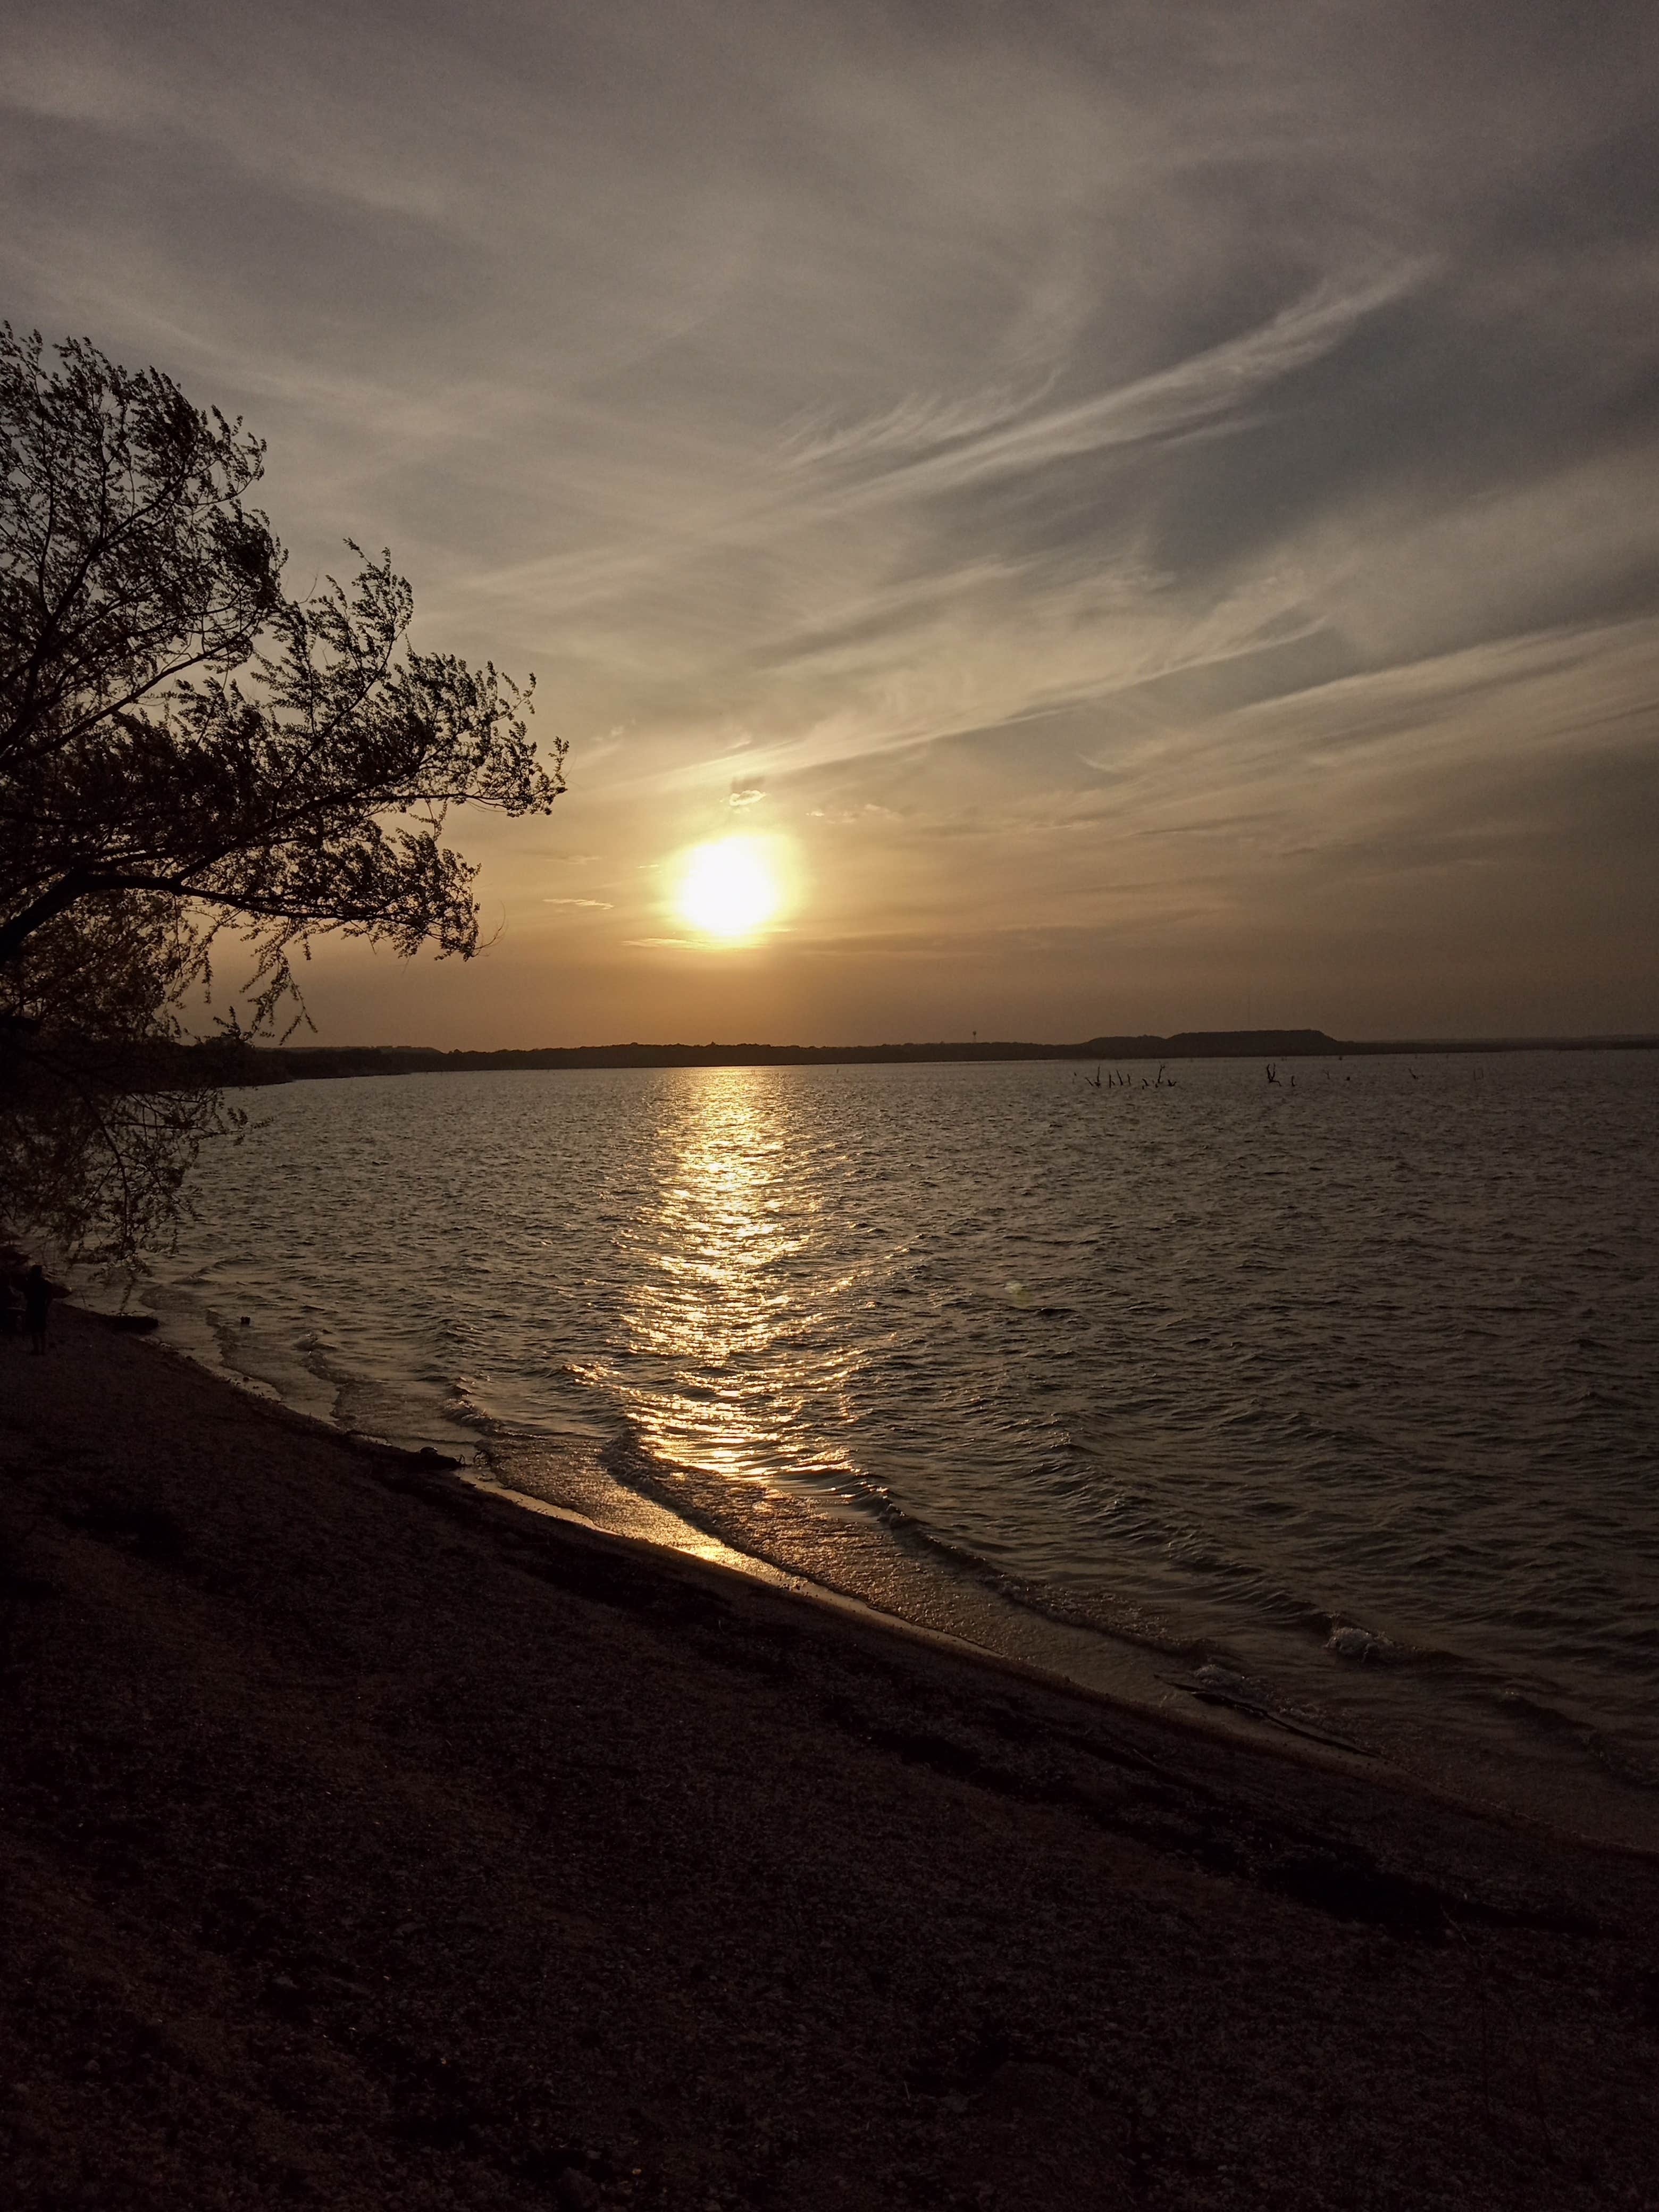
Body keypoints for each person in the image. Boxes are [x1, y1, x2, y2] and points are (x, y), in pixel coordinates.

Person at [22, 1263, 54, 1355]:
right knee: (42, 1329)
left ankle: (36, 1349)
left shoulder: (29, 1283)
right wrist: (47, 1306)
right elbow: (50, 1297)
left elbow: (26, 1296)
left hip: (32, 1306)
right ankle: (44, 1350)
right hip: (42, 1306)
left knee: (34, 1329)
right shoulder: (47, 1284)